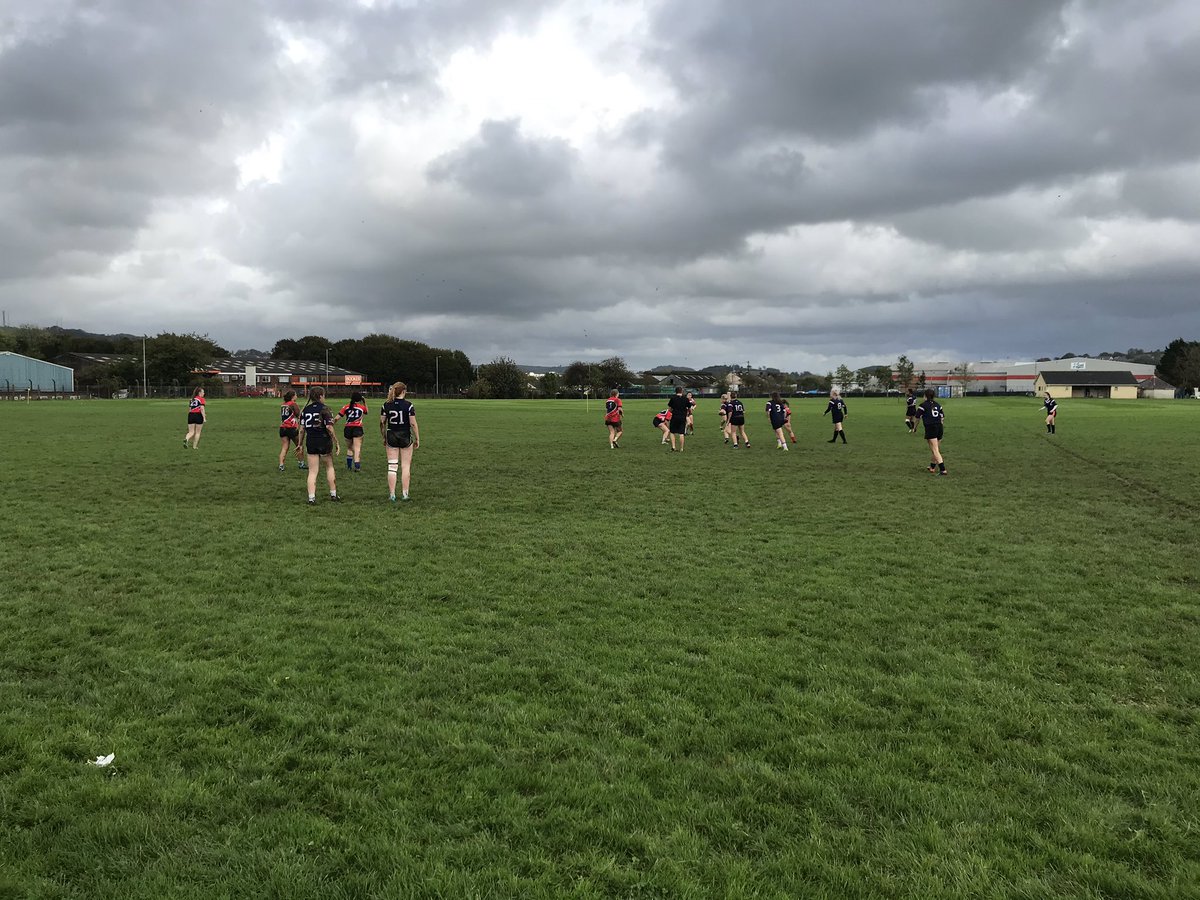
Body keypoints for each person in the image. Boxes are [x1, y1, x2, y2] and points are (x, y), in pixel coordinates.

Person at [297, 387, 342, 504]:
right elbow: (329, 427)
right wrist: (336, 441)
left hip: (311, 441)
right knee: (329, 467)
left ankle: (311, 498)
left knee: (312, 471)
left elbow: (301, 430)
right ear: (321, 396)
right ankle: (333, 494)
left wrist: (299, 444)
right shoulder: (325, 409)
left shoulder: (305, 410)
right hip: (324, 441)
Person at [380, 381, 419, 502]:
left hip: (391, 435)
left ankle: (392, 495)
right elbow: (412, 423)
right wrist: (417, 437)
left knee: (392, 466)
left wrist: (384, 436)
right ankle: (405, 494)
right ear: (403, 391)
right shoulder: (409, 405)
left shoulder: (386, 405)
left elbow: (382, 423)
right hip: (405, 436)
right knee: (405, 466)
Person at [915, 388, 947, 476]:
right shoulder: (938, 405)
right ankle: (932, 467)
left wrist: (914, 428)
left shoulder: (923, 405)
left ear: (925, 396)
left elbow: (917, 418)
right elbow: (942, 418)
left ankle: (943, 469)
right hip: (939, 427)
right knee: (935, 449)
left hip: (931, 427)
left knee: (935, 449)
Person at [335, 391, 369, 472]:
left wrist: (331, 423)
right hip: (358, 428)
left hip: (348, 429)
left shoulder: (346, 407)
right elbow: (367, 412)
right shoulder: (361, 407)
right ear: (360, 399)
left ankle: (349, 467)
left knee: (349, 448)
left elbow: (337, 418)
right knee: (357, 448)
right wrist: (365, 402)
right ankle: (357, 467)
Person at [277, 390, 305, 471]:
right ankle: (301, 463)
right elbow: (298, 415)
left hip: (283, 428)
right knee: (299, 446)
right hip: (291, 428)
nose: (297, 396)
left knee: (285, 447)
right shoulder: (293, 404)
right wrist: (301, 412)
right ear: (293, 396)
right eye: (296, 395)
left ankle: (281, 465)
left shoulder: (283, 405)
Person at [666, 386, 690, 451]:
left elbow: (670, 408)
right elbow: (689, 408)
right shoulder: (685, 399)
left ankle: (673, 447)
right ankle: (681, 448)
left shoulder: (673, 398)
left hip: (674, 417)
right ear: (681, 391)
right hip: (682, 417)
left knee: (672, 432)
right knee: (681, 433)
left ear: (675, 391)